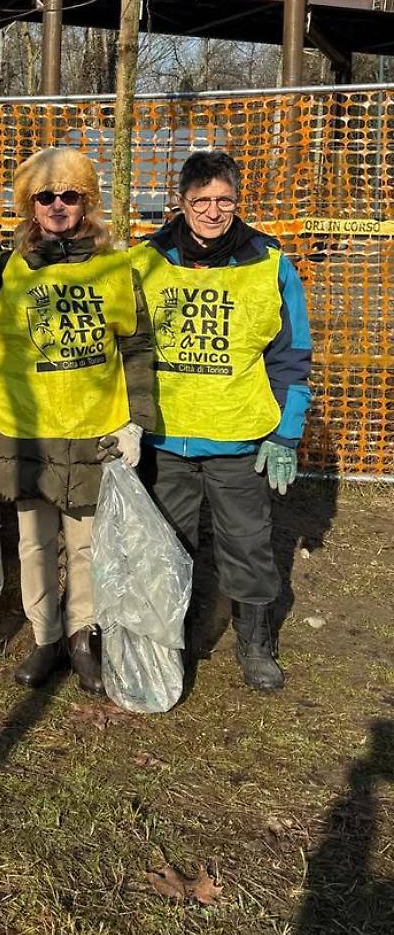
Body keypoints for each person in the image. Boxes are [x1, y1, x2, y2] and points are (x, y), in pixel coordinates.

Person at [0, 148, 153, 694]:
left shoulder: (117, 266)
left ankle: (82, 638)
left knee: (88, 544)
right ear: (30, 206)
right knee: (34, 543)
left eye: (69, 195)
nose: (58, 205)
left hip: (96, 429)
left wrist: (137, 421)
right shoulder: (6, 269)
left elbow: (137, 347)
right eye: (45, 197)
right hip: (25, 429)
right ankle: (45, 637)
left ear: (86, 201)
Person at [132, 148, 312, 691]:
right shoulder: (144, 260)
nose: (213, 212)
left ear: (238, 201)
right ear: (180, 203)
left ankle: (256, 642)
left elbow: (292, 354)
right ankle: (167, 640)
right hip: (165, 439)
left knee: (248, 545)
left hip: (240, 437)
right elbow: (125, 345)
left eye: (225, 201)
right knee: (167, 546)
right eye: (201, 201)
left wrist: (286, 433)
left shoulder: (270, 262)